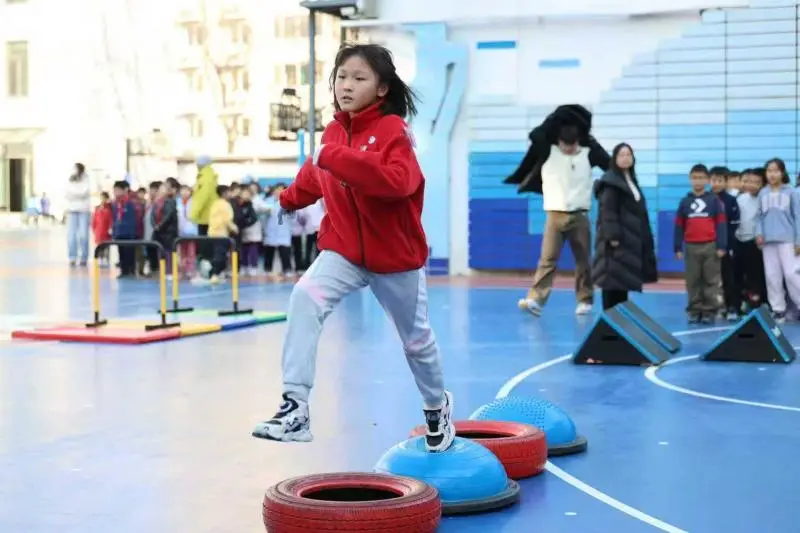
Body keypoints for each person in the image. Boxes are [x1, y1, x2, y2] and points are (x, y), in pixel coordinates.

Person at [251, 43, 455, 453]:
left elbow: (399, 183)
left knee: (416, 340)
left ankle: (437, 406)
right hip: (343, 249)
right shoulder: (331, 134)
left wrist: (338, 158)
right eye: (342, 77)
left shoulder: (394, 131)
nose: (347, 85)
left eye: (359, 78)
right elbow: (315, 174)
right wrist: (290, 198)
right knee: (305, 297)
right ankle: (295, 407)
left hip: (394, 258)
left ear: (381, 89)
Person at [508, 105, 611, 317]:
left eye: (572, 145)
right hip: (554, 215)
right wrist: (556, 120)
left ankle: (585, 300)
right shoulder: (547, 150)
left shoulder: (589, 152)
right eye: (565, 144)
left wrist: (589, 138)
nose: (568, 149)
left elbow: (610, 164)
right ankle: (536, 299)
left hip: (580, 215)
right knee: (547, 259)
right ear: (557, 139)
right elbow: (535, 134)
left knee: (583, 260)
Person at [591, 143, 657, 310]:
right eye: (622, 155)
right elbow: (608, 212)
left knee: (622, 285)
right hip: (616, 244)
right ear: (615, 158)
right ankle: (609, 325)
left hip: (629, 242)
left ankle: (620, 325)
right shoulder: (611, 182)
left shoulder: (630, 180)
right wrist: (613, 236)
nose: (626, 158)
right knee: (612, 285)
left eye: (629, 154)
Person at [674, 164, 727, 324]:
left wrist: (721, 245)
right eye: (695, 178)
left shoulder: (714, 201)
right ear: (690, 179)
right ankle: (694, 309)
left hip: (710, 246)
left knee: (711, 280)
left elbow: (721, 224)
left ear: (707, 180)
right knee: (693, 280)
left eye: (701, 178)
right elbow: (679, 225)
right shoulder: (685, 202)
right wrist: (677, 246)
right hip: (691, 247)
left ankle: (709, 310)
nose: (698, 181)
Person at [755, 158, 800, 323]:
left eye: (775, 170)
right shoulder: (763, 193)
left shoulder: (791, 192)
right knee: (772, 276)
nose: (772, 174)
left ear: (782, 172)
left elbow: (798, 217)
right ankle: (778, 310)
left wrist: (798, 241)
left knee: (792, 274)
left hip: (788, 240)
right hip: (768, 242)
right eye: (769, 171)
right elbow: (758, 217)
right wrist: (759, 233)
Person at [65, 163, 92, 267]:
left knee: (83, 235)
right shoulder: (69, 179)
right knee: (71, 236)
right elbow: (67, 192)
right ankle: (72, 257)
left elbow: (85, 192)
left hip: (83, 210)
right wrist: (77, 195)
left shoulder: (87, 179)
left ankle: (84, 258)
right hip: (71, 210)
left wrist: (75, 194)